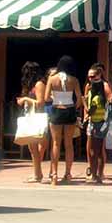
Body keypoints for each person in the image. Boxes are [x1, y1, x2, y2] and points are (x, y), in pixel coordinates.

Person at [43, 56, 83, 185]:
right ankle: (68, 174)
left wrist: (55, 98)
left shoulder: (52, 79)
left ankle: (54, 175)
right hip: (69, 110)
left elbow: (46, 98)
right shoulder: (74, 80)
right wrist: (73, 107)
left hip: (56, 109)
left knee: (55, 143)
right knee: (69, 144)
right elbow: (79, 99)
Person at [16, 61, 47, 184]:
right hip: (30, 115)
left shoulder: (39, 84)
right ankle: (37, 173)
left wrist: (25, 99)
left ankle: (37, 174)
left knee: (36, 148)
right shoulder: (30, 86)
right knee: (32, 148)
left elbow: (40, 102)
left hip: (37, 117)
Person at [83, 63, 112, 184]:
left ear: (99, 75)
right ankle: (94, 173)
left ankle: (98, 174)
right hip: (91, 120)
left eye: (93, 76)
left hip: (101, 120)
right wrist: (86, 112)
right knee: (91, 148)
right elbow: (87, 102)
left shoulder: (104, 85)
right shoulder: (88, 86)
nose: (91, 79)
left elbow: (110, 97)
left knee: (98, 148)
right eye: (89, 76)